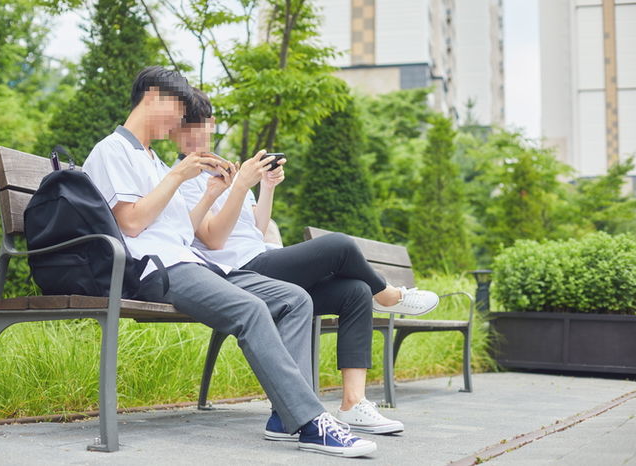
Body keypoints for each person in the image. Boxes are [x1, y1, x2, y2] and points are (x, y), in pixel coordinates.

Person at [82, 66, 376, 457]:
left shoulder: (151, 160)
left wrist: (207, 193)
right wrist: (178, 178)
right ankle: (309, 422)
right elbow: (131, 222)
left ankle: (285, 418)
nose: (177, 121)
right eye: (176, 109)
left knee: (294, 299)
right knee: (252, 310)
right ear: (152, 96)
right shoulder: (112, 150)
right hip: (155, 269)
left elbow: (184, 233)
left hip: (193, 263)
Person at [175, 87, 440, 439]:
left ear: (212, 125)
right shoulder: (180, 178)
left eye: (203, 124)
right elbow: (212, 240)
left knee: (355, 291)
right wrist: (237, 186)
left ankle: (352, 402)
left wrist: (266, 187)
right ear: (173, 132)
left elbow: (255, 228)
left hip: (263, 257)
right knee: (340, 246)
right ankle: (389, 295)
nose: (197, 134)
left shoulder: (229, 170)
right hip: (239, 272)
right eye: (187, 126)